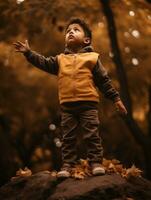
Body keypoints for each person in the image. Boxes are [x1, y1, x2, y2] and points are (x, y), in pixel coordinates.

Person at [13, 18, 127, 178]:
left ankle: (95, 162)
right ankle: (68, 165)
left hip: (89, 104)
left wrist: (116, 99)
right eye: (68, 31)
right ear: (66, 40)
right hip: (67, 107)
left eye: (76, 30)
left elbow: (104, 81)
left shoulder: (92, 58)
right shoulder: (60, 60)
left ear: (86, 40)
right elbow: (44, 62)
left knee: (91, 134)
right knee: (68, 138)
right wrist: (29, 53)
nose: (70, 32)